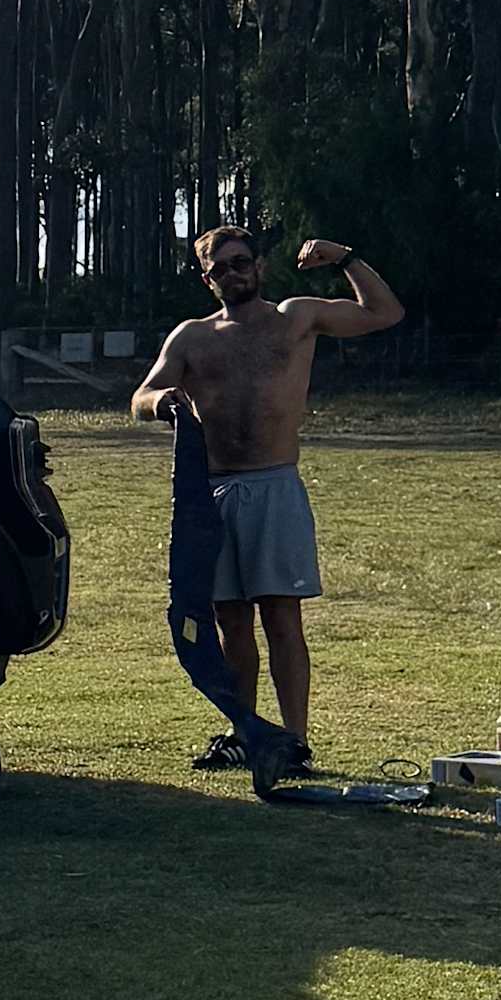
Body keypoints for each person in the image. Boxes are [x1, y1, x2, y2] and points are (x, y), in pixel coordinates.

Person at [130, 219, 404, 768]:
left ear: (258, 266)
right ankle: (246, 733)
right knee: (230, 623)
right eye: (219, 270)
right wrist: (161, 403)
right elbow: (141, 396)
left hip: (273, 485)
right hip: (212, 494)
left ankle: (294, 741)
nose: (232, 274)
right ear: (208, 280)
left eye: (240, 263)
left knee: (281, 619)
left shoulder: (296, 317)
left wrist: (343, 256)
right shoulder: (192, 336)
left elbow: (384, 312)